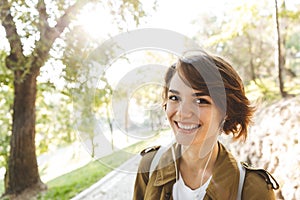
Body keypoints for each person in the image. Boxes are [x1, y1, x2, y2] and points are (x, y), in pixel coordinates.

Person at [133, 50, 279, 200]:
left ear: (226, 110)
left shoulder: (254, 188)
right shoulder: (149, 166)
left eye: (200, 101)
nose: (183, 113)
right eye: (174, 97)